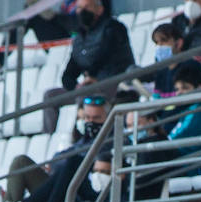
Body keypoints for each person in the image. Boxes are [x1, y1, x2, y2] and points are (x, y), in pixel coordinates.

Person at [6, 97, 109, 202]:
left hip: (76, 199)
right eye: (87, 118)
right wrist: (58, 166)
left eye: (96, 118)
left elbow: (79, 163)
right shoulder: (84, 139)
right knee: (21, 162)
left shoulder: (112, 140)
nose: (91, 122)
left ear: (107, 118)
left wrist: (60, 165)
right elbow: (58, 158)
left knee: (73, 162)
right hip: (55, 189)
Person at [41, 0, 133, 135]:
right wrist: (74, 86)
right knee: (50, 96)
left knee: (85, 91)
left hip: (114, 83)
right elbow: (69, 72)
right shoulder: (79, 37)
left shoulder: (114, 28)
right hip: (88, 86)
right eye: (79, 8)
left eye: (87, 7)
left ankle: (78, 135)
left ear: (99, 9)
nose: (82, 12)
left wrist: (94, 79)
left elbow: (112, 58)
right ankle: (48, 139)